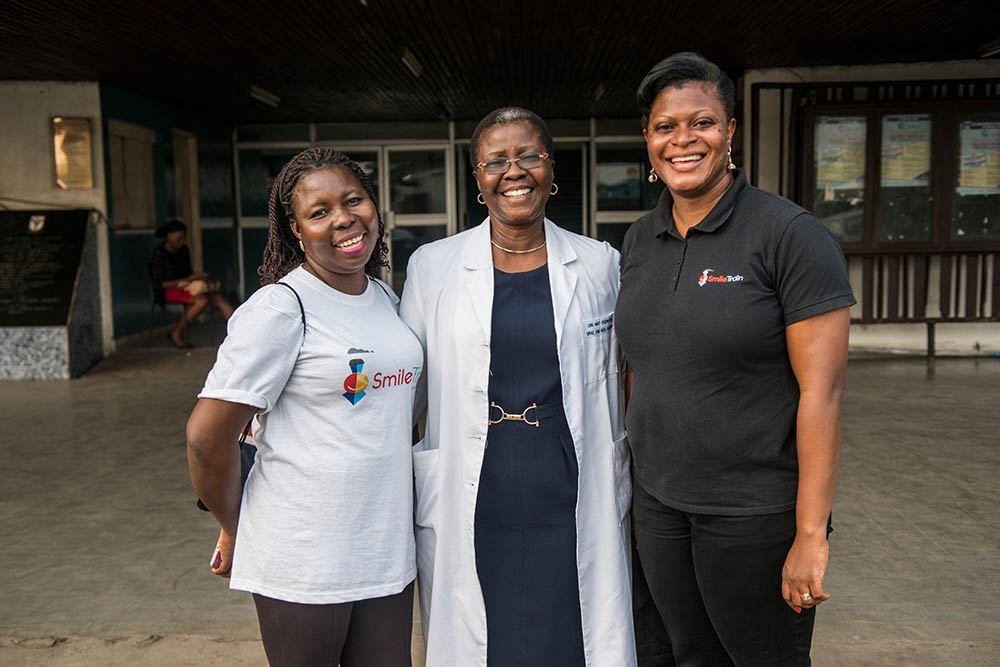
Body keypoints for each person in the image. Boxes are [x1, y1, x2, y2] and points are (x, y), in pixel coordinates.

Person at [616, 52, 855, 665]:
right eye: (665, 126)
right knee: (682, 655)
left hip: (753, 514)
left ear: (730, 133)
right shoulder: (641, 240)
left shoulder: (789, 235)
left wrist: (809, 535)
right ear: (648, 140)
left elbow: (821, 395)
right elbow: (641, 369)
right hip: (660, 508)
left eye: (702, 122)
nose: (683, 139)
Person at [400, 107, 636, 667]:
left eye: (529, 155)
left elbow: (631, 370)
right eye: (496, 161)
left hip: (569, 477)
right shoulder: (432, 267)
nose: (515, 171)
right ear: (478, 179)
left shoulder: (601, 263)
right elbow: (403, 391)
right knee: (485, 632)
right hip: (476, 481)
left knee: (572, 630)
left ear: (552, 171)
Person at [186, 148, 421, 667]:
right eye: (319, 212)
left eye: (353, 200)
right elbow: (207, 437)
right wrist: (235, 522)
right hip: (304, 559)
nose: (343, 218)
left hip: (385, 550)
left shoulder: (384, 297)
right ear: (296, 230)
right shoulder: (280, 308)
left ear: (374, 207)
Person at [149, 218, 234, 349]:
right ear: (169, 235)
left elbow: (188, 277)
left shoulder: (183, 250)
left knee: (219, 299)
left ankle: (240, 331)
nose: (182, 241)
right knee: (202, 301)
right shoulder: (158, 254)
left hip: (187, 289)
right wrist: (191, 278)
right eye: (179, 238)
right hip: (167, 291)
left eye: (184, 238)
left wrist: (203, 282)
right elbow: (162, 284)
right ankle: (176, 333)